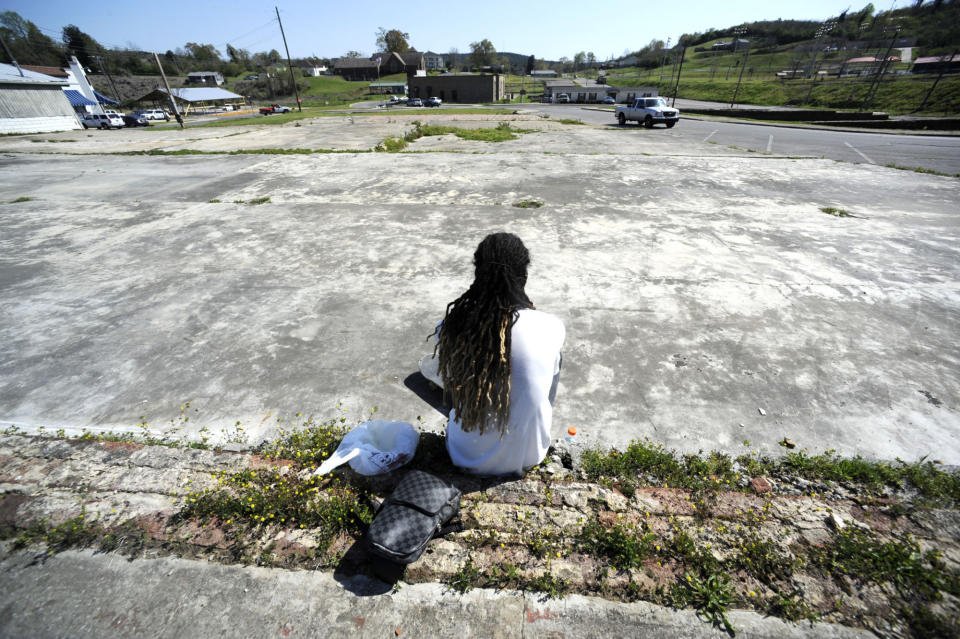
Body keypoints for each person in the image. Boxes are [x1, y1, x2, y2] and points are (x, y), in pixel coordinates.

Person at [431, 232, 565, 476]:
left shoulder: (450, 327)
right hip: (528, 456)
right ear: (523, 277)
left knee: (456, 376)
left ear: (478, 275)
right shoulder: (551, 326)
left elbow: (452, 392)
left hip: (463, 456)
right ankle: (528, 427)